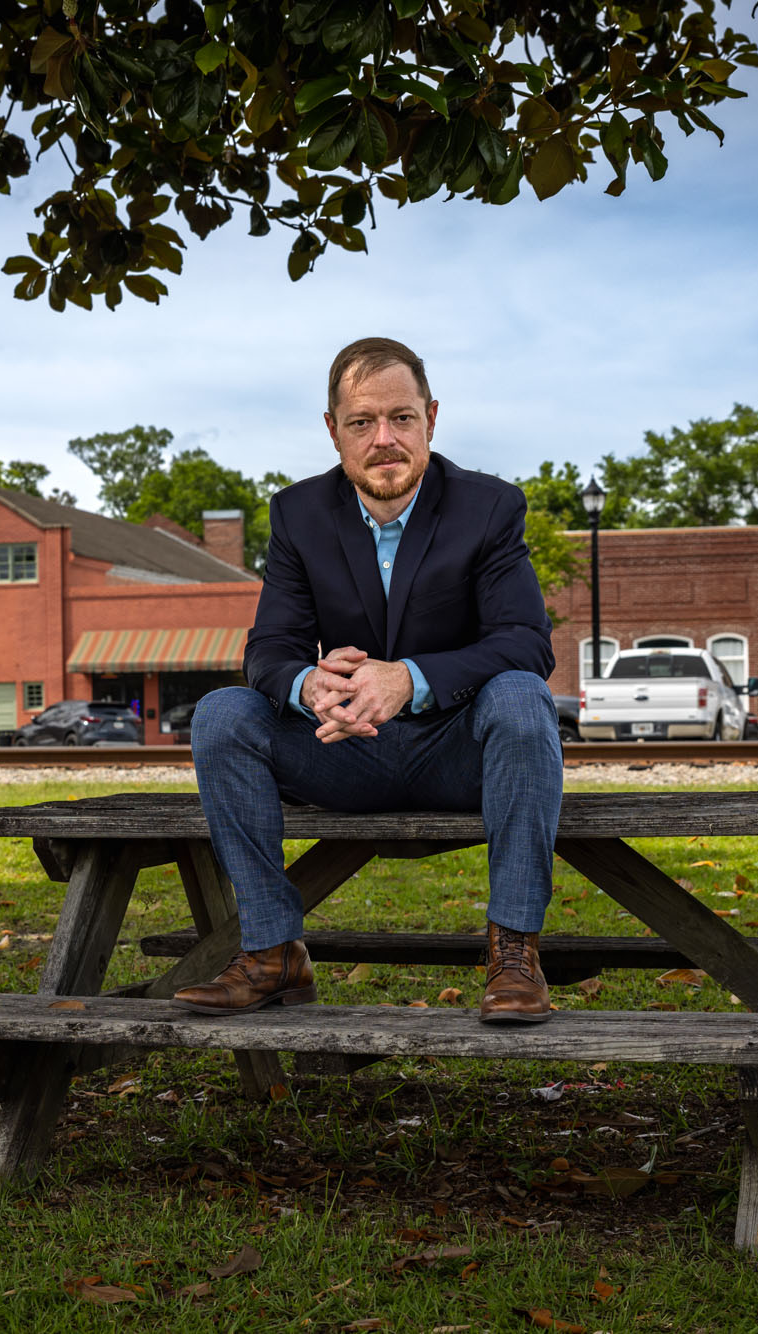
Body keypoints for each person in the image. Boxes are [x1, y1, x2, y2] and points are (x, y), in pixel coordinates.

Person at [176, 337, 562, 1024]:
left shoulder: (489, 508)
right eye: (362, 422)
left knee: (522, 694)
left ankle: (514, 953)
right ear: (333, 431)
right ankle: (272, 953)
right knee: (222, 714)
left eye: (402, 418)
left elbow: (526, 643)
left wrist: (408, 679)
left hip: (459, 752)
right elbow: (269, 646)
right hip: (340, 747)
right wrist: (306, 685)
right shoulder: (297, 514)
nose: (384, 440)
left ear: (431, 419)